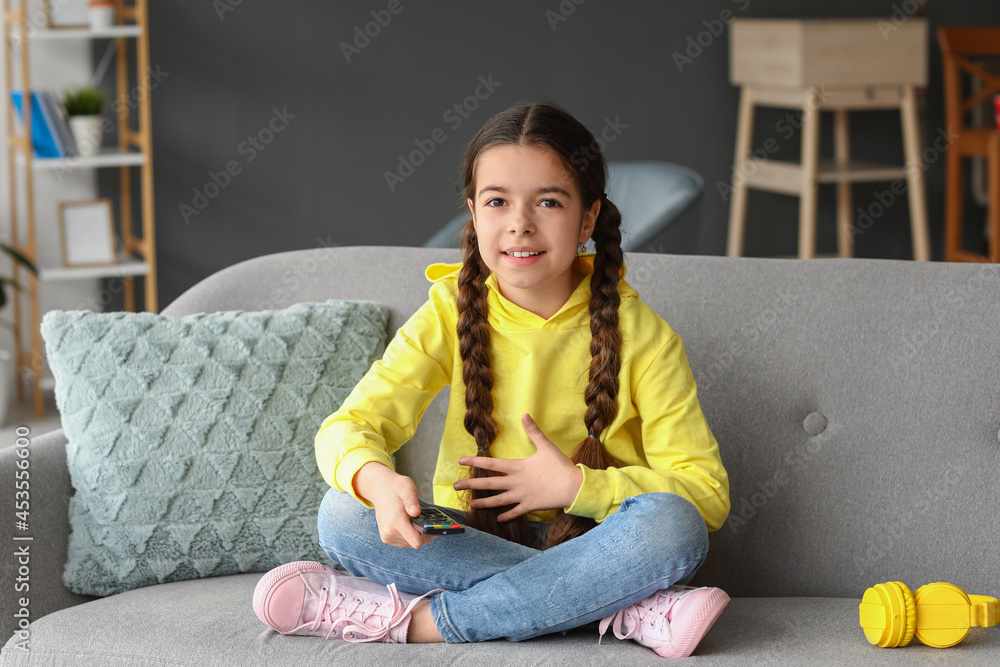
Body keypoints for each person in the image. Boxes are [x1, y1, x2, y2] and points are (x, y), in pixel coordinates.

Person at [252, 101, 731, 659]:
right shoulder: (447, 312)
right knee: (342, 511)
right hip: (467, 541)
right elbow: (349, 425)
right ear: (474, 215)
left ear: (587, 219)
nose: (519, 223)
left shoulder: (644, 336)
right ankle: (621, 608)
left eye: (548, 202)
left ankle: (420, 622)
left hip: (602, 545)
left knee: (676, 525)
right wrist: (377, 482)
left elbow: (707, 494)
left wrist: (577, 487)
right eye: (497, 201)